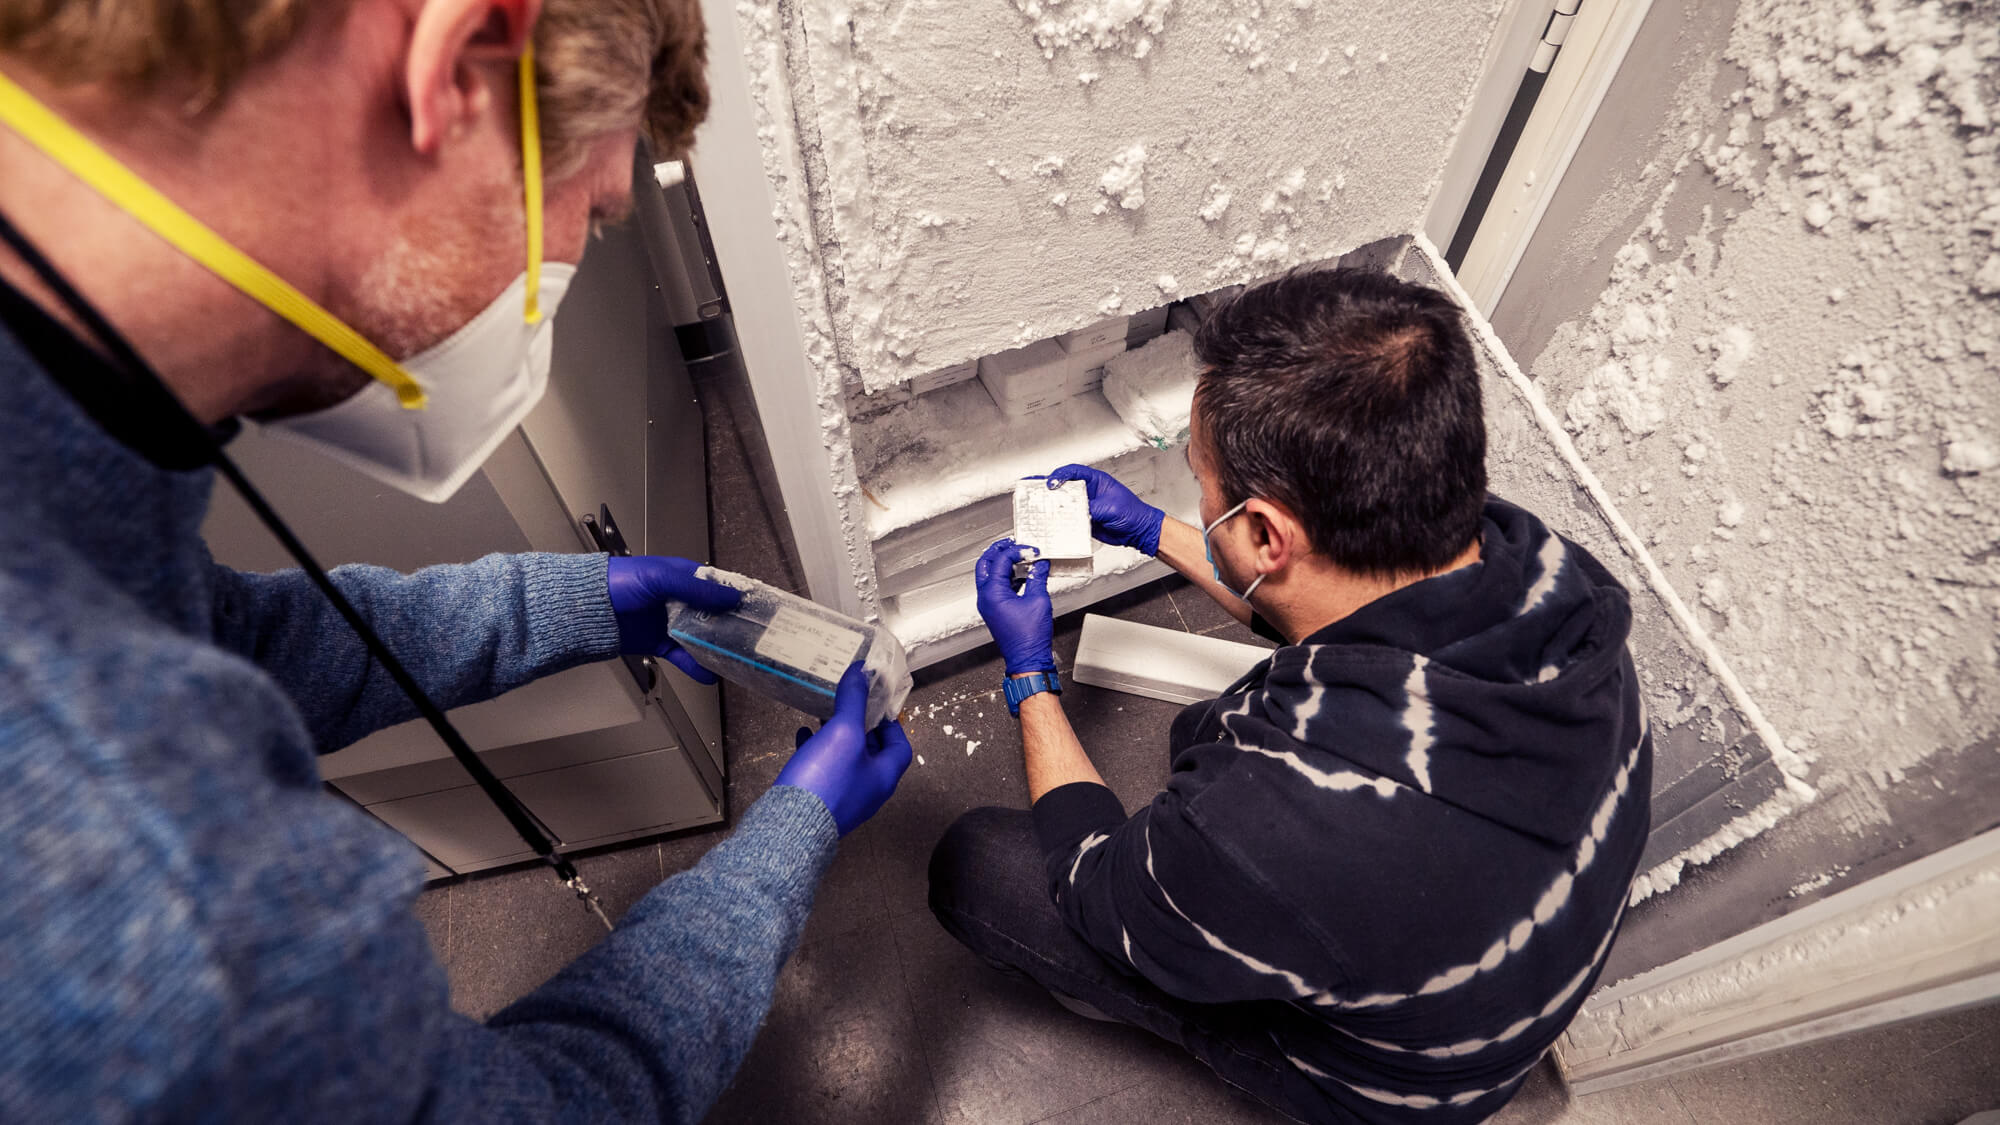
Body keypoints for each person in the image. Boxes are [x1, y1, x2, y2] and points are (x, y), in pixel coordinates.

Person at [0, 1, 910, 1120]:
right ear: (462, 67)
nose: (570, 257)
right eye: (595, 208)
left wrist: (577, 601)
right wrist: (789, 834)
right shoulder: (130, 861)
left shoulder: (63, 443)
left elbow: (237, 643)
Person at [933, 267, 1653, 1123]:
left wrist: (1029, 673)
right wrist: (1151, 530)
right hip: (1485, 972)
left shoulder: (1266, 822)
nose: (1195, 498)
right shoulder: (1546, 578)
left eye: (1199, 484)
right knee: (1218, 726)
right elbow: (1321, 599)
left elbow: (1091, 882)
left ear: (1267, 532)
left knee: (976, 867)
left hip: (1380, 1087)